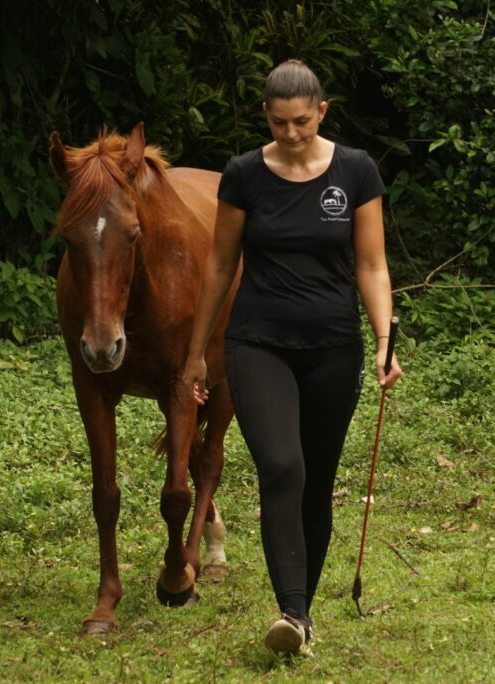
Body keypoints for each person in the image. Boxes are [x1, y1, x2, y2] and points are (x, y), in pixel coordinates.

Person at [181, 59, 402, 656]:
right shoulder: (244, 174)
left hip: (334, 345)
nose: (290, 134)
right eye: (278, 123)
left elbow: (372, 264)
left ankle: (300, 613)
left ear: (322, 112)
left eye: (301, 122)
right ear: (267, 117)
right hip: (257, 343)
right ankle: (293, 613)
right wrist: (198, 351)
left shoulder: (355, 171)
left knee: (316, 479)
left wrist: (384, 337)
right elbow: (221, 265)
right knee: (282, 467)